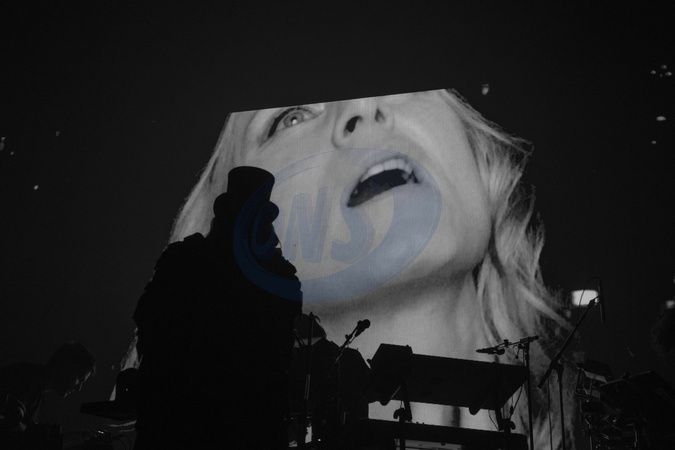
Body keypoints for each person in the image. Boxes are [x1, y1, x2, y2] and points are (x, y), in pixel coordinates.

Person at [124, 89, 572, 447]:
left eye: (400, 86)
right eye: (291, 117)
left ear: (475, 152)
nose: (360, 105)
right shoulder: (190, 268)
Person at [132, 166, 302, 449]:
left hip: (177, 418)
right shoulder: (278, 276)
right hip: (243, 422)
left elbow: (147, 322)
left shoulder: (183, 259)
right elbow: (282, 346)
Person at [0, 342, 95, 447]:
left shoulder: (35, 386)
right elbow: (13, 429)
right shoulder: (24, 379)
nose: (78, 388)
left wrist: (77, 437)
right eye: (79, 379)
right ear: (64, 367)